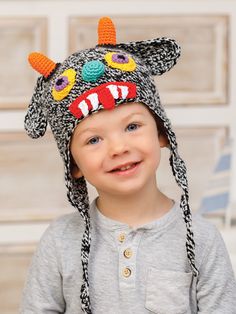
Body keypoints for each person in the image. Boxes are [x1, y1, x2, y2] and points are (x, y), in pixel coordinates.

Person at [20, 16, 236, 314]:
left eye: (132, 127)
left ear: (161, 132)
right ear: (74, 166)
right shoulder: (59, 242)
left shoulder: (201, 239)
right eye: (93, 140)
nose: (119, 148)